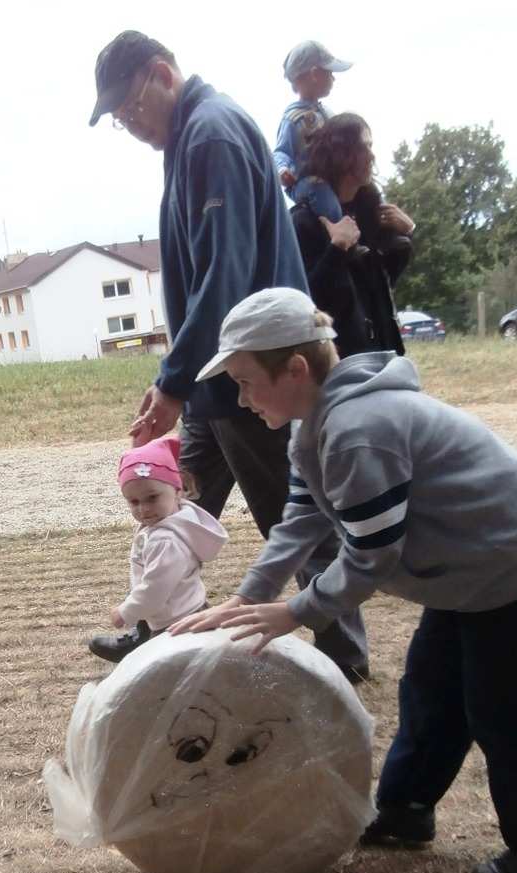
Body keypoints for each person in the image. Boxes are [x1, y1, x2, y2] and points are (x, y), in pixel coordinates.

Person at [170, 287, 517, 873]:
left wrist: (297, 611)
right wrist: (249, 595)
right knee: (431, 691)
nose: (240, 398)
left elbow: (371, 554)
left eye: (245, 381)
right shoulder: (311, 428)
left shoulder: (359, 431)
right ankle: (405, 809)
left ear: (294, 369)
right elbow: (300, 522)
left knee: (511, 714)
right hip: (465, 575)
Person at [88, 30, 368, 680]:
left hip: (251, 376)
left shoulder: (210, 133)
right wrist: (180, 380)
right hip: (212, 381)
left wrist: (175, 379)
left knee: (291, 516)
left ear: (162, 72)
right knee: (172, 510)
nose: (131, 125)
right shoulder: (187, 140)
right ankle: (154, 630)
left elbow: (226, 270)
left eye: (132, 108)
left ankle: (340, 659)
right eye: (120, 120)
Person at [88, 437, 227, 663]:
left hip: (176, 626)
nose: (143, 509)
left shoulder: (166, 541)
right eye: (134, 502)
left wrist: (126, 612)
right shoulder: (175, 520)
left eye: (152, 498)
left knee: (164, 681)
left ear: (178, 489)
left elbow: (155, 590)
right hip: (185, 613)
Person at [292, 113, 414, 358]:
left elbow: (384, 283)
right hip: (340, 367)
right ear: (341, 153)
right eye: (365, 147)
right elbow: (304, 305)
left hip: (385, 359)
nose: (372, 156)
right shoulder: (304, 221)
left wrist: (408, 234)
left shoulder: (372, 214)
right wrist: (336, 250)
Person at [273, 40, 352, 222]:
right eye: (330, 73)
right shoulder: (294, 118)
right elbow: (281, 151)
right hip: (305, 182)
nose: (334, 78)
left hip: (332, 177)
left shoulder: (329, 114)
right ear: (315, 74)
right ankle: (340, 232)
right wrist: (283, 170)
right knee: (320, 190)